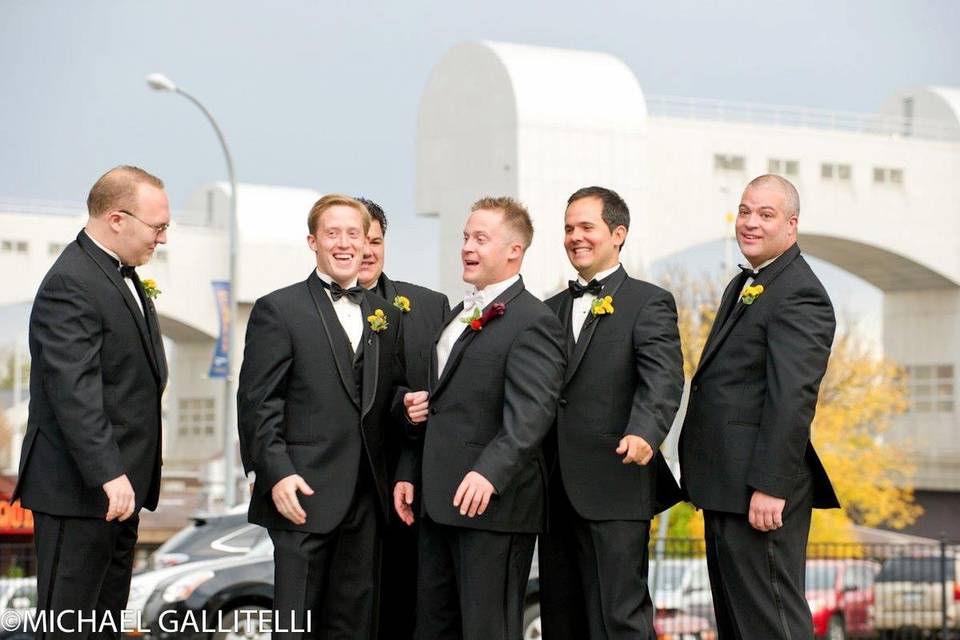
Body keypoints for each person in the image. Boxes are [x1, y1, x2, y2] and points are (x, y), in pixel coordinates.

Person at [237, 194, 419, 639]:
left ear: (365, 243)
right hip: (301, 495)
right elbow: (258, 402)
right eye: (332, 234)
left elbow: (383, 394)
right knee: (295, 626)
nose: (344, 243)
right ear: (313, 241)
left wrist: (406, 406)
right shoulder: (278, 309)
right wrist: (277, 474)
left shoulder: (385, 315)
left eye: (353, 234)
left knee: (354, 624)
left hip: (366, 500)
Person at [394, 197, 566, 640]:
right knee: (433, 627)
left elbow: (532, 412)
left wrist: (489, 474)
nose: (467, 246)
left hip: (492, 506)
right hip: (438, 501)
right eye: (466, 237)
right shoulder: (458, 314)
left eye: (481, 238)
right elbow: (445, 405)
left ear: (514, 250)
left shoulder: (533, 321)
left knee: (487, 630)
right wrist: (412, 466)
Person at [679, 174, 839, 639]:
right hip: (727, 486)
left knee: (771, 624)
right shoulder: (746, 285)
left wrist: (770, 486)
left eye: (765, 215)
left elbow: (792, 400)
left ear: (791, 225)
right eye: (745, 211)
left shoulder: (800, 293)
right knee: (738, 625)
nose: (750, 223)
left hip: (760, 493)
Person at [13, 165, 170, 638]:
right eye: (157, 227)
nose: (162, 239)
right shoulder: (72, 282)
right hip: (79, 491)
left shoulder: (121, 275)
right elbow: (73, 390)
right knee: (69, 625)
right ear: (117, 219)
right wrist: (108, 472)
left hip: (120, 493)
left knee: (102, 624)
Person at [538, 186, 685, 639]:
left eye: (587, 227)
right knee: (562, 620)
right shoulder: (546, 310)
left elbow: (664, 378)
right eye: (568, 228)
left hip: (617, 482)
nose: (575, 237)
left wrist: (645, 431)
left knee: (618, 620)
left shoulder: (649, 302)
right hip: (553, 491)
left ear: (618, 234)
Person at [355, 197, 450, 640]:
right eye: (358, 239)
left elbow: (444, 398)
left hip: (407, 487)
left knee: (408, 609)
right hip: (339, 487)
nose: (367, 250)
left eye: (376, 240)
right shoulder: (298, 310)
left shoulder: (430, 306)